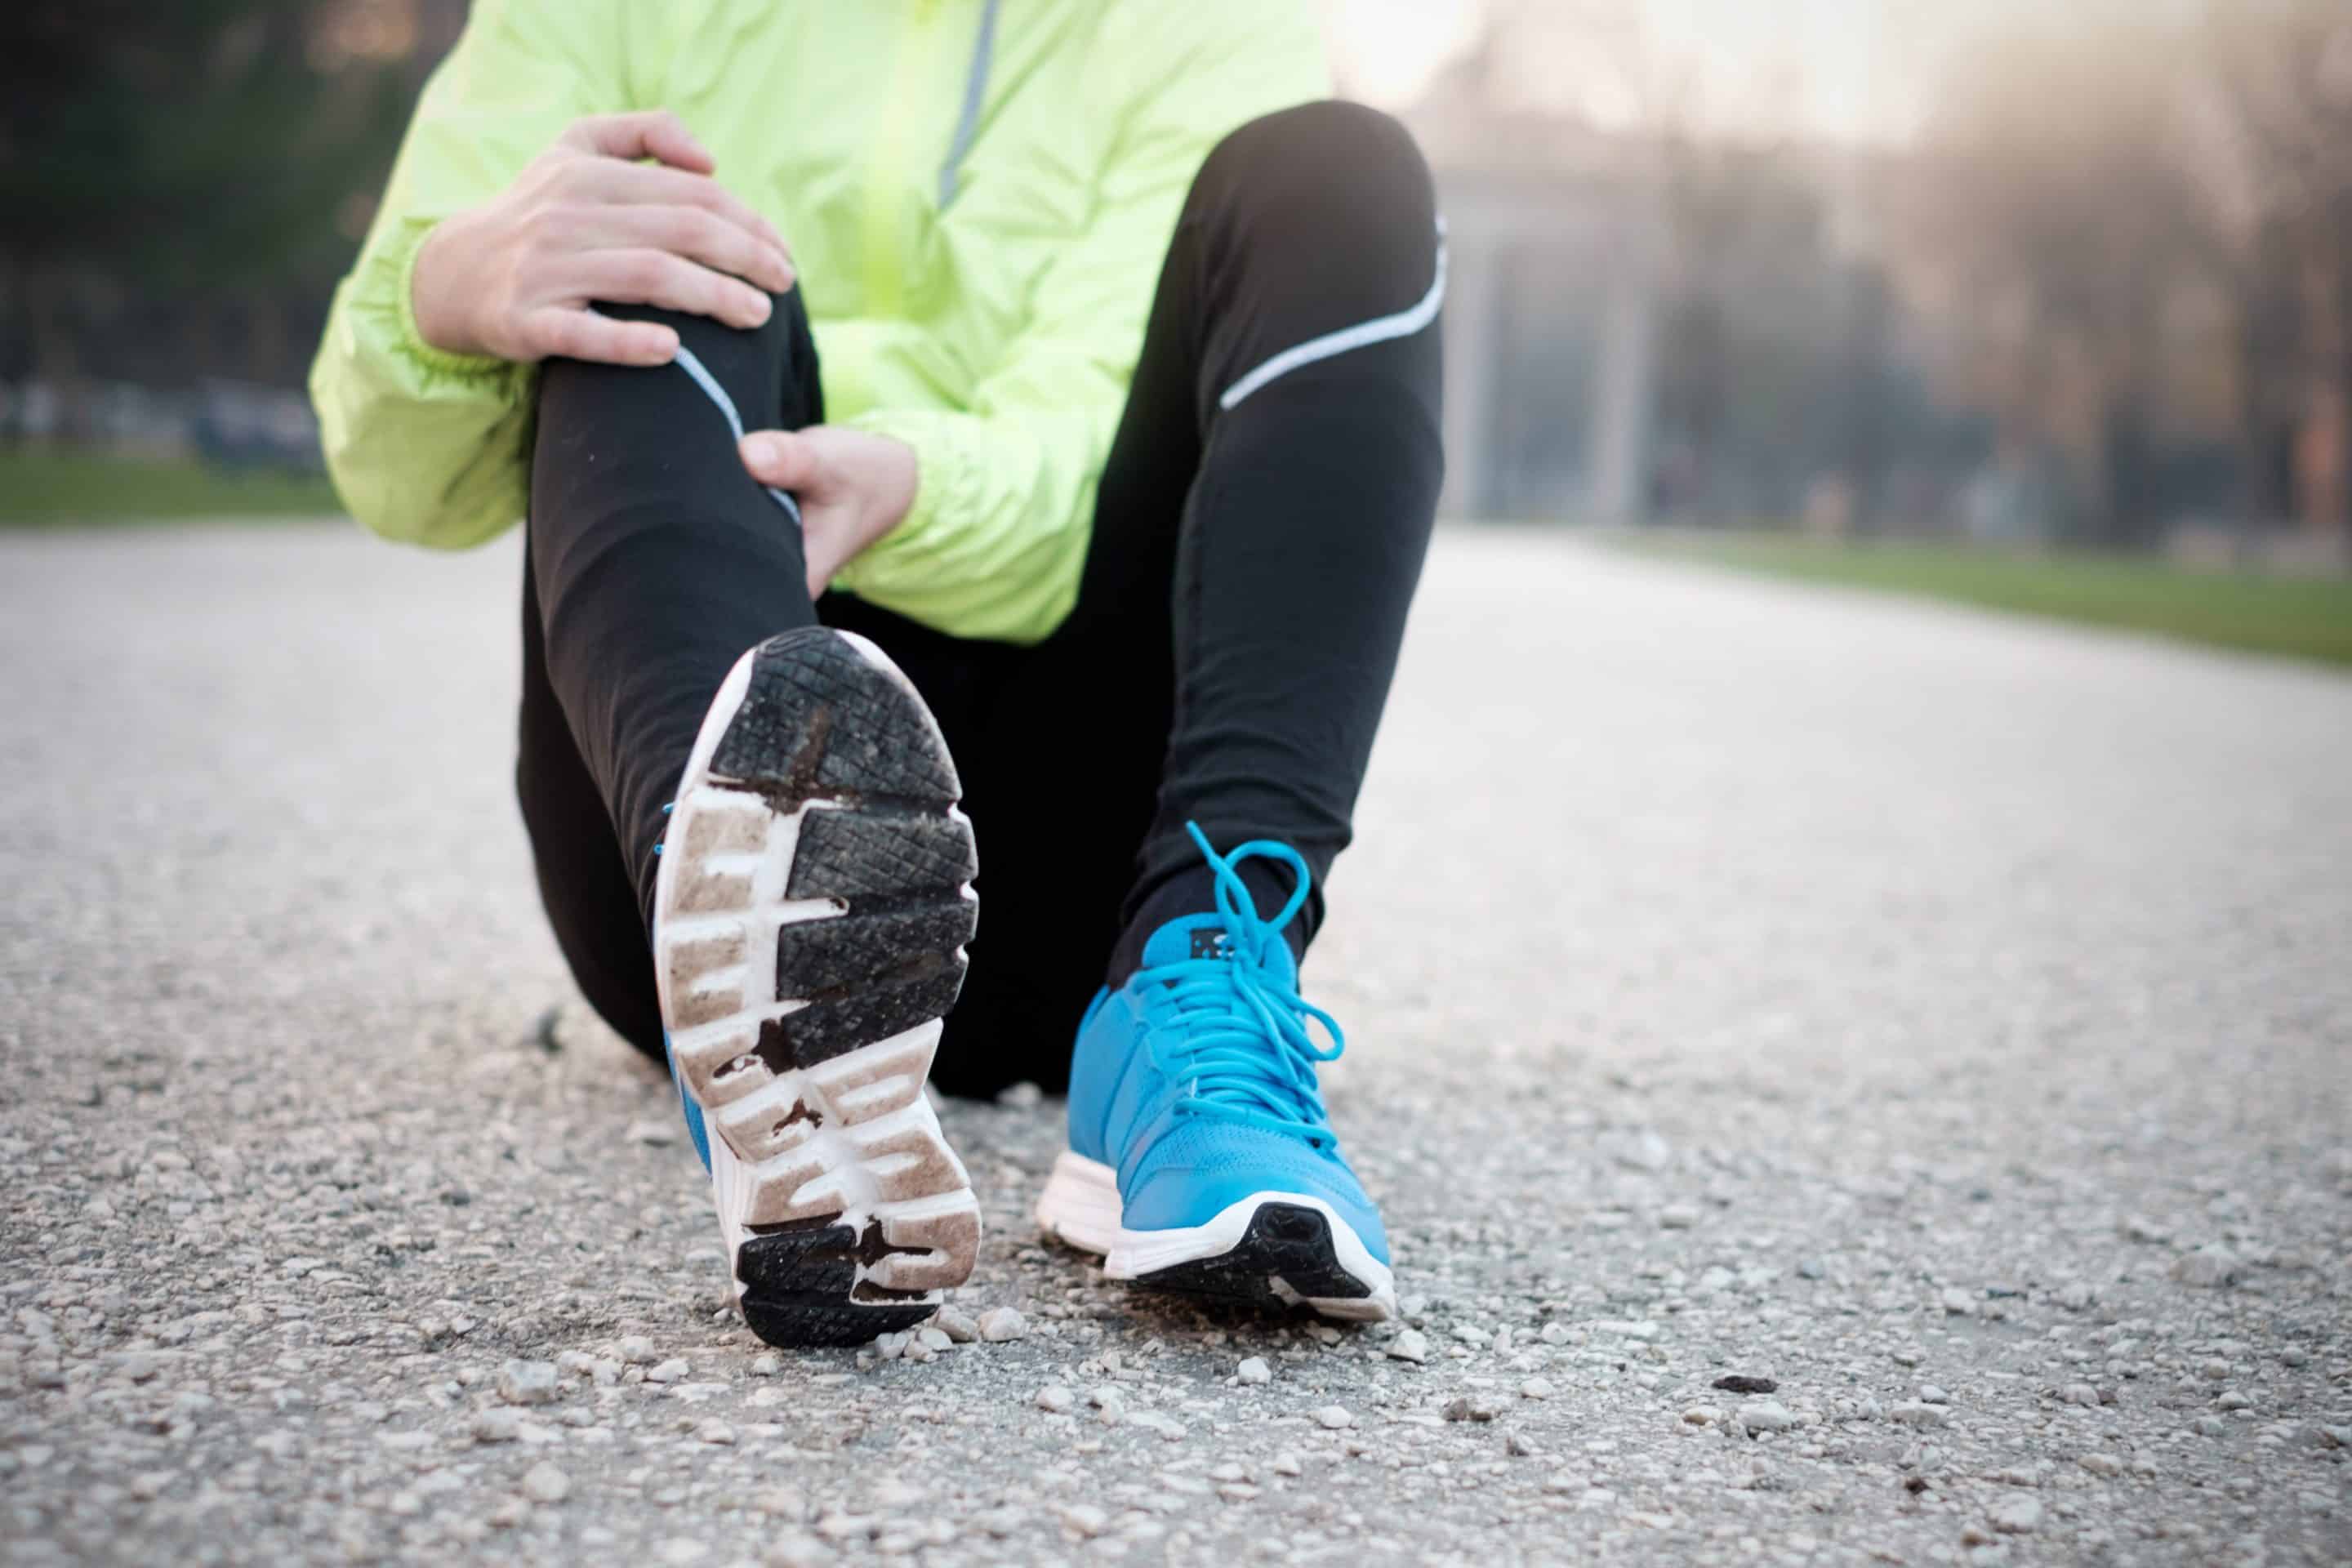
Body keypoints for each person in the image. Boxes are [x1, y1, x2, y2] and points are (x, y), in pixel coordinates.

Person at [311, 0, 1444, 1348]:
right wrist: (447, 290)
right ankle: (739, 953)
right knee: (635, 232)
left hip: (1092, 869)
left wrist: (910, 481)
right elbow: (400, 481)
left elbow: (1102, 448)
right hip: (692, 717)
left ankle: (1200, 992)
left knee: (1340, 172)